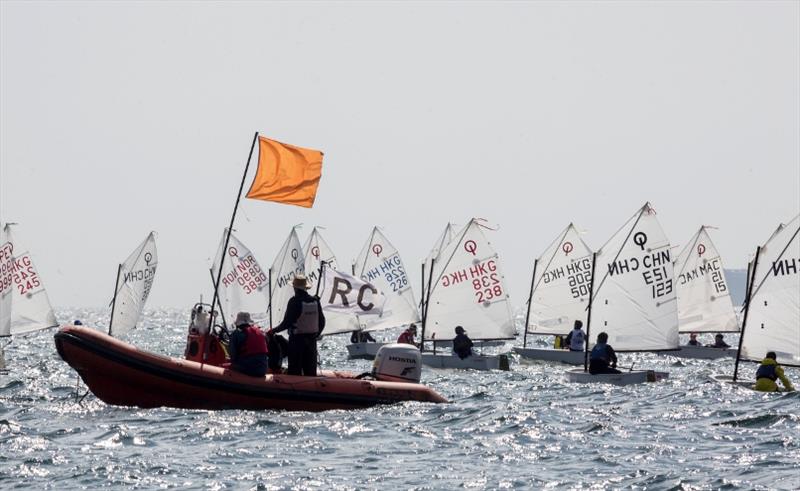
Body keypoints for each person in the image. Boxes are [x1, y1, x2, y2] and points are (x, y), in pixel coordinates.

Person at [270, 275, 326, 376]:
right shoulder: (315, 301)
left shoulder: (294, 301)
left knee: (295, 371)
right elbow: (322, 321)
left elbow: (287, 322)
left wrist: (274, 330)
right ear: (305, 287)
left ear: (294, 287)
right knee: (310, 371)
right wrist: (316, 335)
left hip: (297, 341)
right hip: (311, 342)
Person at [228, 312, 269, 377]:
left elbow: (233, 355)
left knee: (226, 366)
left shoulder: (236, 334)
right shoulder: (261, 332)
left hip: (249, 368)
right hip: (263, 369)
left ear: (238, 323)